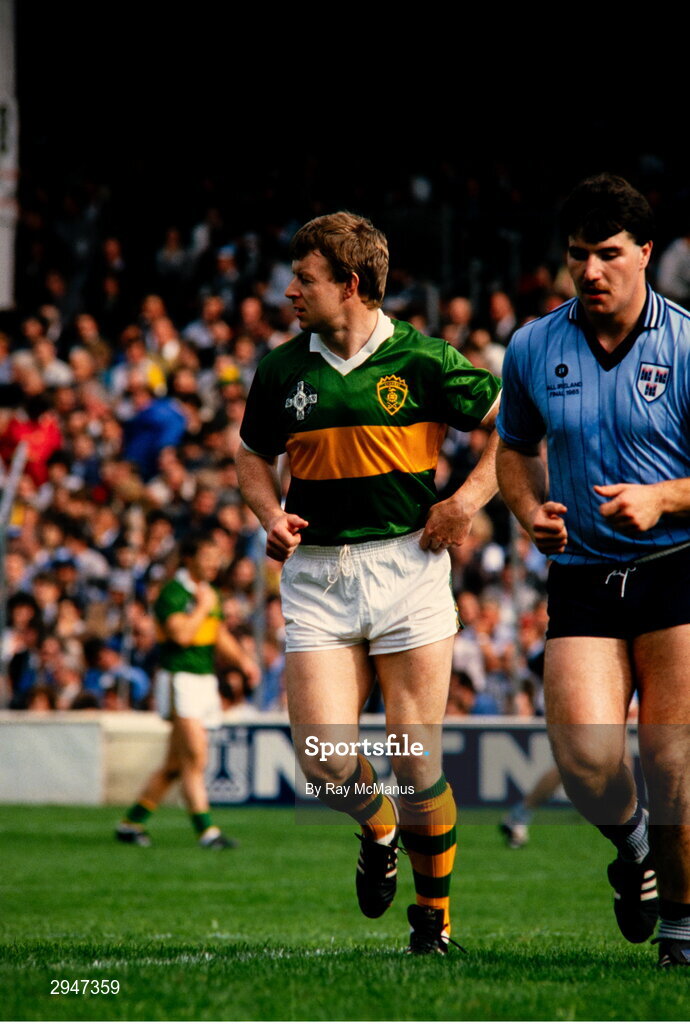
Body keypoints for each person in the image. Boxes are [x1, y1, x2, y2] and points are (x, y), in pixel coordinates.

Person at [236, 212, 501, 954]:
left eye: (305, 279)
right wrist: (269, 513)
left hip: (408, 567)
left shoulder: (423, 359)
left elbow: (515, 426)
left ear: (350, 284)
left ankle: (434, 921)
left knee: (416, 760)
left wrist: (466, 501)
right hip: (318, 573)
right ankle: (377, 827)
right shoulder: (282, 369)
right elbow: (252, 456)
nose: (290, 292)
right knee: (323, 762)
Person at [496, 172, 690, 968]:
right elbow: (514, 449)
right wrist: (526, 509)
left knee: (674, 763)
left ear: (645, 252)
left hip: (676, 567)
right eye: (578, 254)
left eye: (608, 253)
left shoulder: (687, 345)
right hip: (582, 573)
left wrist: (664, 498)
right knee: (584, 760)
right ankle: (634, 845)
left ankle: (681, 930)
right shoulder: (533, 346)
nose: (590, 270)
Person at [116, 535, 258, 849]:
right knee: (195, 756)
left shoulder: (210, 592)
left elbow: (217, 633)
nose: (213, 563)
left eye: (216, 557)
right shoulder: (174, 592)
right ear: (188, 559)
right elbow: (180, 635)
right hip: (179, 679)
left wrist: (244, 661)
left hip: (203, 680)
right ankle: (207, 832)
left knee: (173, 766)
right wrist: (203, 607)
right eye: (207, 556)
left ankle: (131, 823)